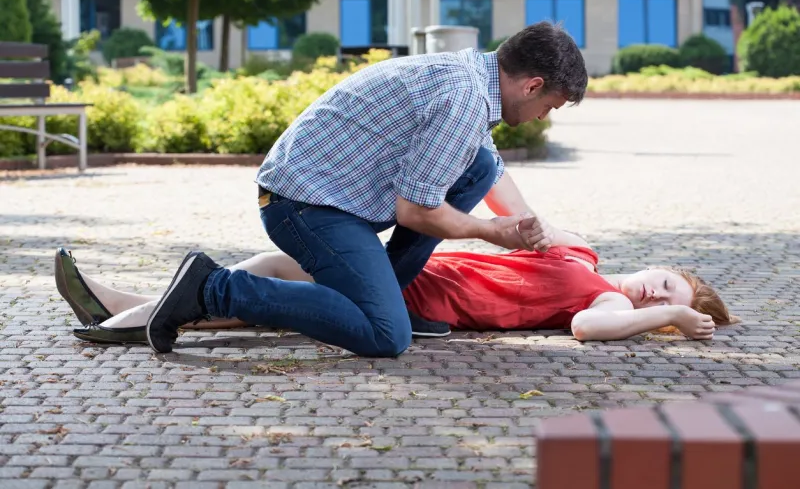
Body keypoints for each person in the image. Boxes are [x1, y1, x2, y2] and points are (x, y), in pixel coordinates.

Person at [138, 22, 590, 358]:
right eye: (548, 105)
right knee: (386, 336)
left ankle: (386, 293)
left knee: (479, 164)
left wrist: (535, 228)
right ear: (532, 85)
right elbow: (416, 211)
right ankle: (211, 288)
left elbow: (484, 171)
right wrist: (493, 232)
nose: (543, 117)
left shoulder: (472, 77)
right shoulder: (463, 98)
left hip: (335, 198)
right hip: (302, 205)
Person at [56, 224, 738, 346]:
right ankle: (118, 310)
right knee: (260, 282)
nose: (654, 293)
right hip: (410, 269)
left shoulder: (604, 299)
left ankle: (116, 312)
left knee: (259, 279)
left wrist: (668, 321)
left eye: (667, 299)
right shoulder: (585, 253)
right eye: (665, 282)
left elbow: (592, 329)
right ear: (660, 264)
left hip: (411, 298)